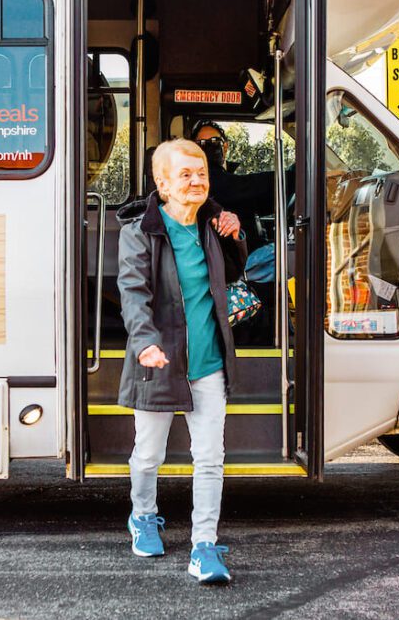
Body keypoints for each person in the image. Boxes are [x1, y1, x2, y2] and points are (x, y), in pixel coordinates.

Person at [115, 138, 247, 584]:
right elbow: (134, 296)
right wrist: (145, 342)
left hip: (208, 363)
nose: (196, 181)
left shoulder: (212, 224)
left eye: (202, 173)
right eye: (186, 174)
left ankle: (204, 546)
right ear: (163, 183)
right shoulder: (141, 233)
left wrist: (237, 233)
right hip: (158, 362)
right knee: (148, 454)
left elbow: (233, 270)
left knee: (210, 458)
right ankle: (143, 515)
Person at [188, 120, 286, 252]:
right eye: (202, 143)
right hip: (232, 258)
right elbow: (246, 187)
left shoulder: (224, 178)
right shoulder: (203, 180)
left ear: (225, 147)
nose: (209, 146)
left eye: (215, 141)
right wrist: (292, 177)